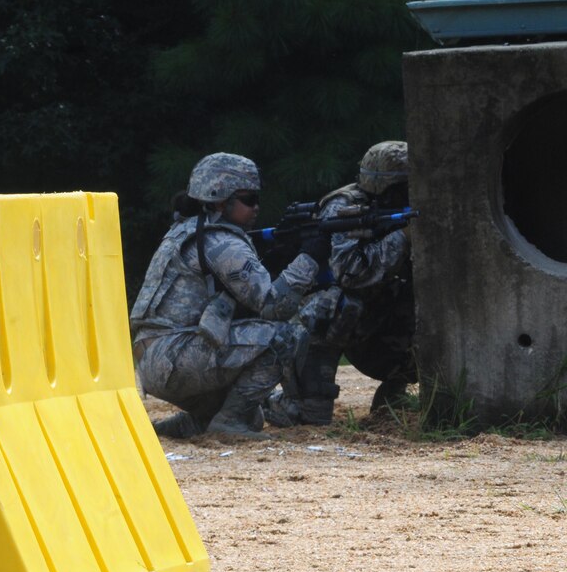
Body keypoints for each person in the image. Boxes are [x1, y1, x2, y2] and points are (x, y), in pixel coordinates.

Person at [130, 153, 329, 439]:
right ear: (220, 200)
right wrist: (308, 257)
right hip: (176, 358)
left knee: (254, 418)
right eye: (249, 199)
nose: (257, 207)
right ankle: (227, 423)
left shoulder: (190, 231)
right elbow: (275, 306)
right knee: (282, 337)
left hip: (158, 359)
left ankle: (189, 426)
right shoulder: (220, 241)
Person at [265, 141, 416, 427]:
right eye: (404, 187)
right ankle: (306, 403)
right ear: (386, 187)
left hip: (382, 317)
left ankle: (394, 392)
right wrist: (403, 238)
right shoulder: (344, 208)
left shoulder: (402, 207)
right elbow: (351, 273)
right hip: (336, 315)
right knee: (336, 304)